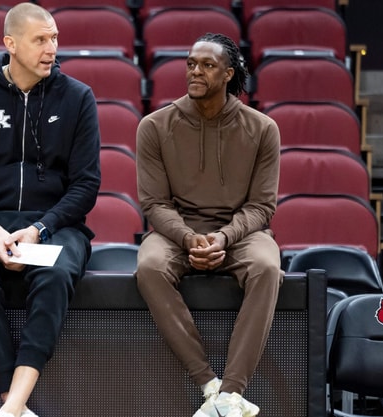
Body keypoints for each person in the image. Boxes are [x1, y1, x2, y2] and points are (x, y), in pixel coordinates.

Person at [0, 3, 101, 417]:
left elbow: (86, 185)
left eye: (55, 38)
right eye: (40, 39)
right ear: (10, 44)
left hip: (55, 224)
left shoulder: (78, 98)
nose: (52, 48)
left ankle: (12, 407)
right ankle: (10, 402)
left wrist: (40, 229)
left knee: (56, 274)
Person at [134, 33, 283, 417]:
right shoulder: (154, 126)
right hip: (176, 229)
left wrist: (224, 236)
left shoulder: (263, 128)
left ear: (228, 73)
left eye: (207, 65)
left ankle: (233, 392)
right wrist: (187, 237)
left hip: (242, 231)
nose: (195, 72)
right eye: (190, 64)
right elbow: (153, 203)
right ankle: (209, 384)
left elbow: (262, 206)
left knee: (267, 266)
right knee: (149, 266)